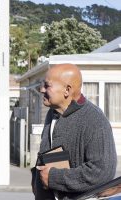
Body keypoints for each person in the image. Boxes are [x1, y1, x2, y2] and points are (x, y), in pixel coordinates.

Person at [32, 63, 117, 200]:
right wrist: (36, 181)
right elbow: (51, 156)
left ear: (67, 90)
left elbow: (102, 172)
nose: (41, 89)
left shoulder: (94, 119)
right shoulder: (52, 113)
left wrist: (53, 178)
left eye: (47, 85)